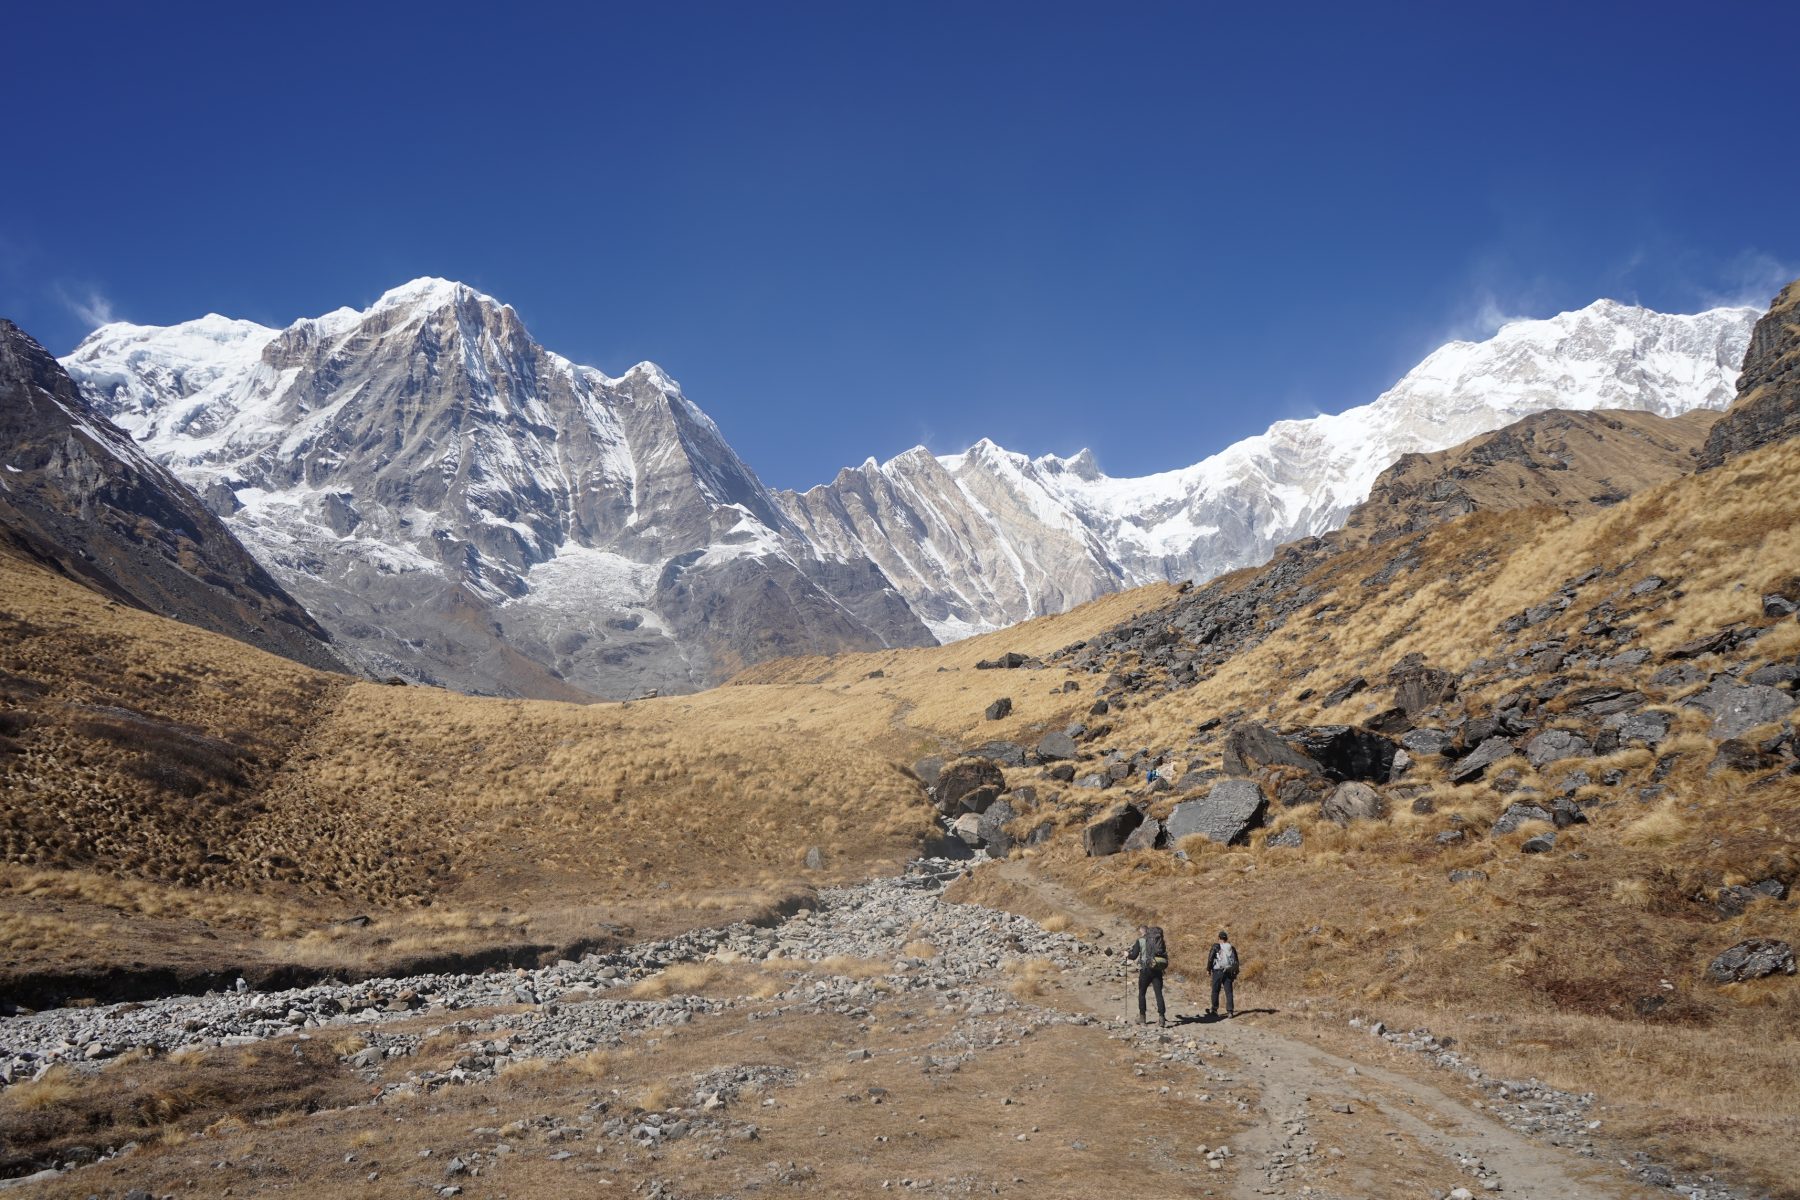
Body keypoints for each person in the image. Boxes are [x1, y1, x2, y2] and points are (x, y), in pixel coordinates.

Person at [1124, 923, 1169, 1026]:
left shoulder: (1140, 941)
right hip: (1157, 969)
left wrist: (1127, 955)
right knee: (1158, 994)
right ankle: (1161, 1018)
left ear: (1141, 931)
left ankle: (1142, 1018)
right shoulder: (1159, 940)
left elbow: (1134, 956)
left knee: (1142, 993)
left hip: (1145, 970)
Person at [1207, 930, 1239, 1018]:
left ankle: (1214, 1009)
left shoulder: (1216, 946)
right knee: (1229, 992)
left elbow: (1210, 958)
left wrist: (1208, 969)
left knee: (1215, 991)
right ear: (1226, 939)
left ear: (1219, 938)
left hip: (1218, 971)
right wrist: (1236, 972)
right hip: (1228, 972)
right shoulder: (1231, 948)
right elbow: (1236, 961)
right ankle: (1230, 1011)